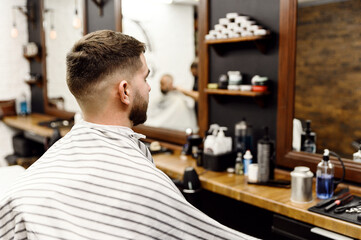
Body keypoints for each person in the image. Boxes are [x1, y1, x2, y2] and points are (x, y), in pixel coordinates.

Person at [0, 30, 257, 240]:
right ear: (124, 91)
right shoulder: (148, 187)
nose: (148, 87)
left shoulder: (28, 182)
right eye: (145, 78)